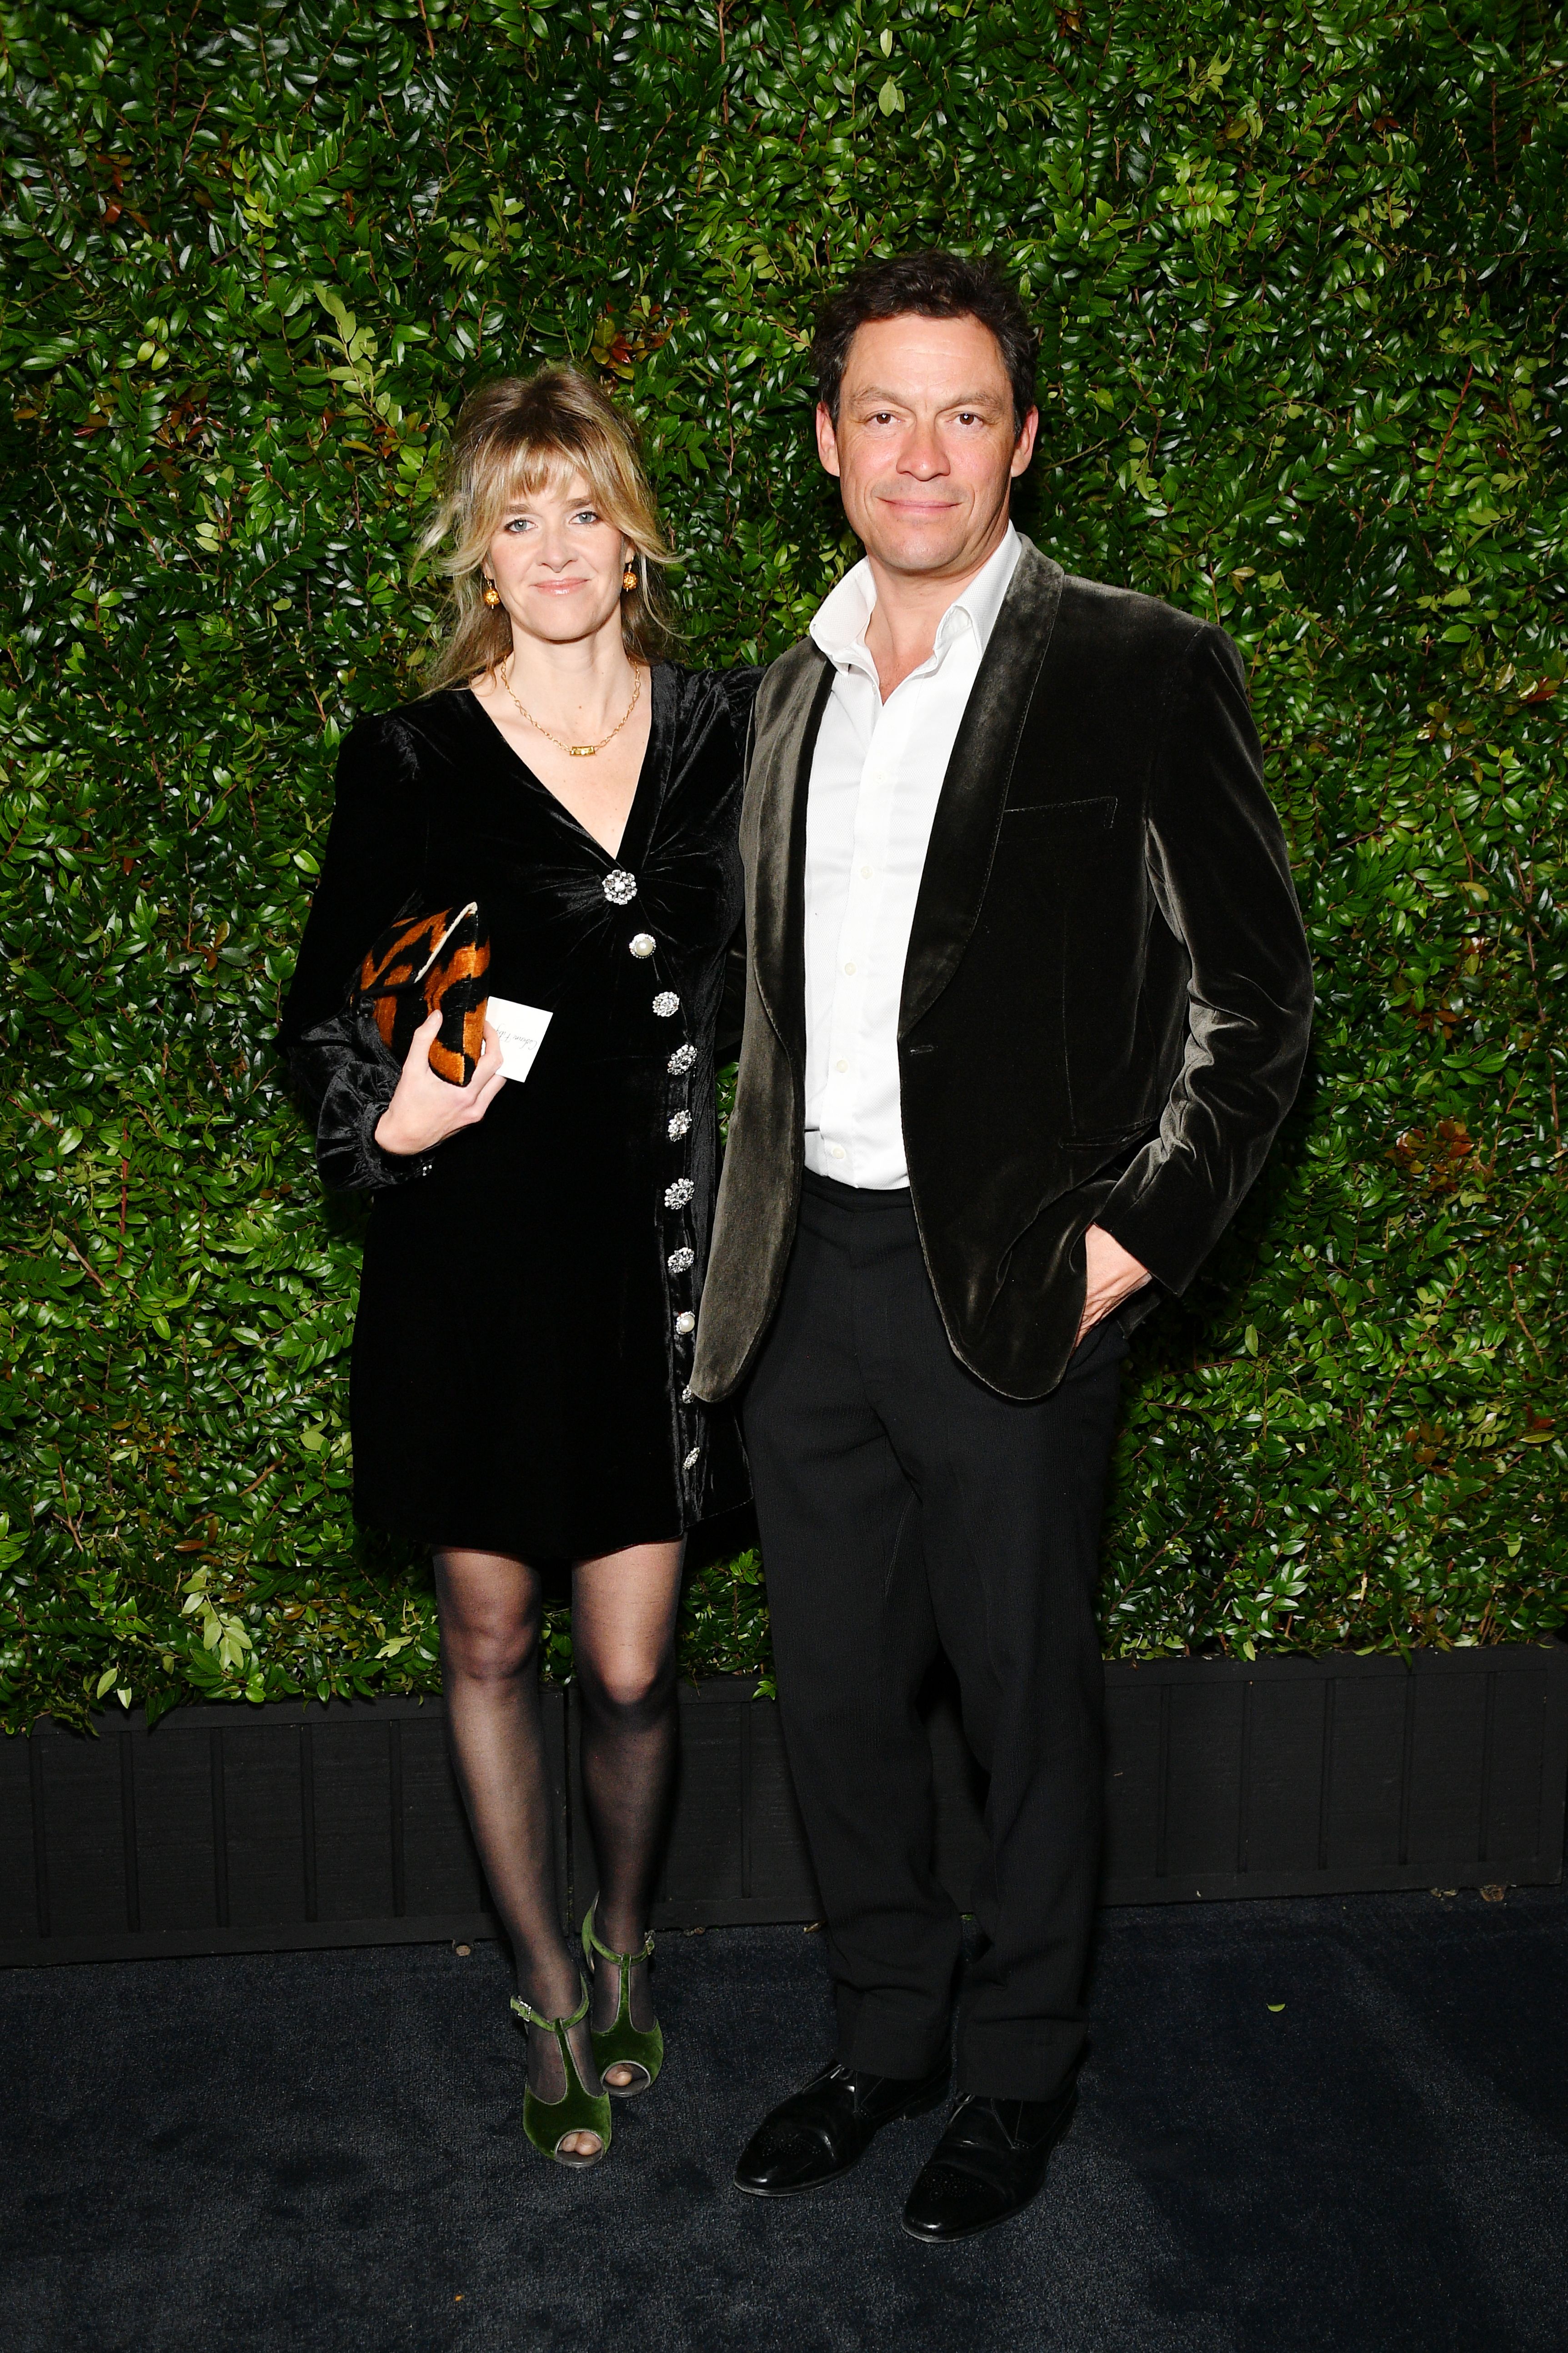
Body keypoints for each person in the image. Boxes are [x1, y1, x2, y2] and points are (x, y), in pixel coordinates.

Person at [692, 252, 1314, 2241]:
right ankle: (884, 2032)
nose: (922, 452)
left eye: (965, 412)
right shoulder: (780, 695)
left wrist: (1129, 1243)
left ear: (1022, 438)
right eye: (883, 411)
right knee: (838, 1695)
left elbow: (1254, 1000)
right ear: (825, 440)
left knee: (1025, 1703)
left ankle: (1020, 2067)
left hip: (1018, 1290)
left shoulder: (1141, 662)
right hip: (807, 1286)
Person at [280, 366, 755, 2169]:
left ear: (630, 534)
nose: (552, 546)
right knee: (487, 1637)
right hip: (476, 1279)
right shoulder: (407, 759)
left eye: (582, 509)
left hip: (653, 1281)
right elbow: (327, 1013)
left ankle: (629, 1931)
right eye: (515, 515)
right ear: (481, 551)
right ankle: (546, 1988)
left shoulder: (729, 728)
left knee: (631, 1667)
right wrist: (381, 1123)